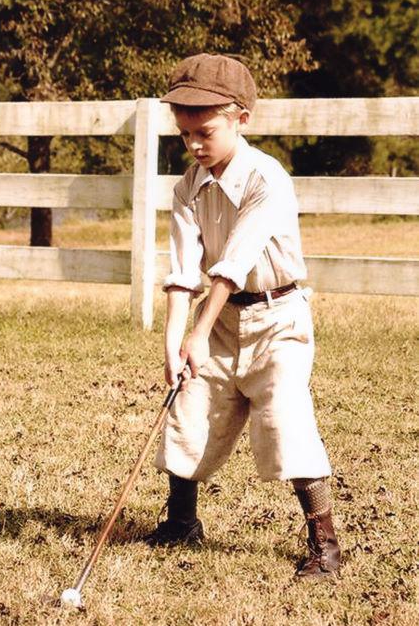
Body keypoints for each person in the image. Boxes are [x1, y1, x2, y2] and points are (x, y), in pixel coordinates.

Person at [144, 53, 341, 579]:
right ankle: (181, 523)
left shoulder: (267, 179)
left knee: (284, 420)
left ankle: (324, 540)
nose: (193, 144)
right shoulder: (187, 186)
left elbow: (233, 262)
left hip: (279, 319)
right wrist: (174, 341)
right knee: (191, 406)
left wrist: (198, 333)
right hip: (225, 319)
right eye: (184, 133)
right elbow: (186, 271)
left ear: (241, 120)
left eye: (204, 132)